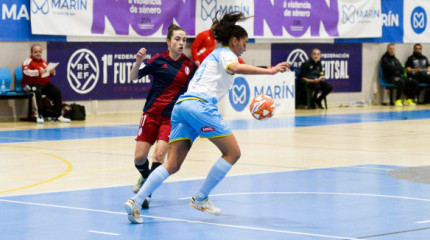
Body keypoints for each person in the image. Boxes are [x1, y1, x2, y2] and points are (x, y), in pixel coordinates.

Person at [124, 11, 289, 224]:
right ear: (234, 40)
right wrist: (270, 70)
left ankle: (135, 202)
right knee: (233, 153)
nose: (245, 48)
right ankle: (201, 198)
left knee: (172, 164)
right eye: (244, 43)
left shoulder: (213, 55)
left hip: (181, 107)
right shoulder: (227, 53)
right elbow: (235, 67)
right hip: (200, 107)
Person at [128, 23, 197, 208]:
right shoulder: (158, 60)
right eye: (177, 39)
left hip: (171, 118)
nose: (181, 43)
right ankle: (145, 178)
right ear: (168, 42)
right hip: (151, 114)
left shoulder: (190, 66)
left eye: (184, 40)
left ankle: (145, 194)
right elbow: (134, 77)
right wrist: (138, 62)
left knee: (159, 155)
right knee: (139, 159)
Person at [22, 44, 71, 124]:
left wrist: (52, 72)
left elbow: (50, 72)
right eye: (35, 52)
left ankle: (59, 116)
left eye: (39, 52)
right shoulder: (27, 62)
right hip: (30, 85)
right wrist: (38, 72)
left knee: (56, 91)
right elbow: (26, 72)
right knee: (36, 92)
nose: (38, 54)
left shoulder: (44, 62)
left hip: (44, 84)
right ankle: (39, 115)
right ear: (31, 53)